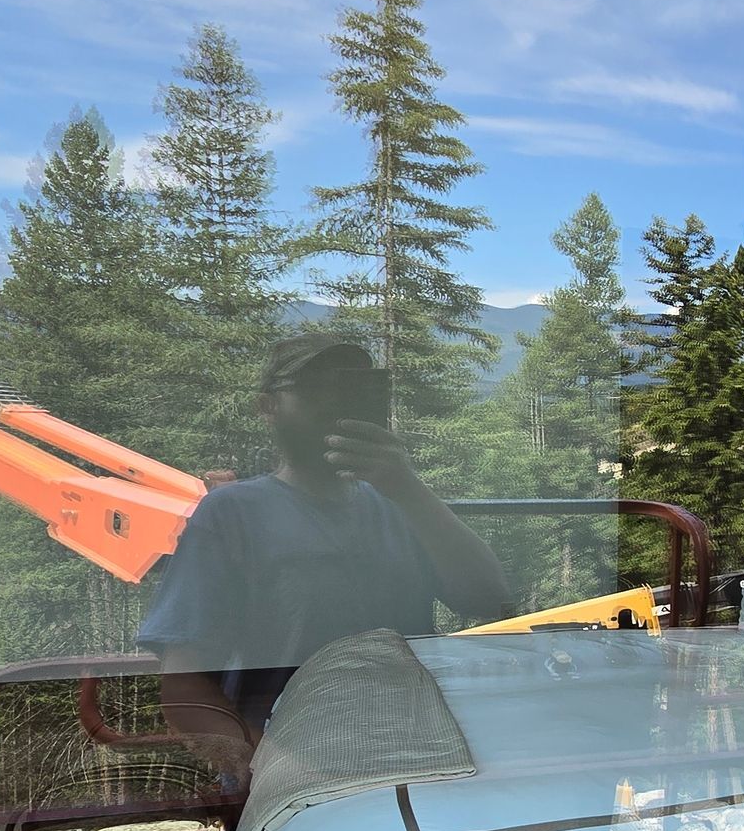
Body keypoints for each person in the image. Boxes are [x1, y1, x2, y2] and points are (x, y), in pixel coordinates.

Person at [138, 334, 513, 788]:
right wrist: (275, 775)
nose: (335, 401)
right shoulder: (232, 512)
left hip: (420, 760)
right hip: (293, 778)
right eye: (315, 388)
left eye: (354, 387)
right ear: (267, 407)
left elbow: (488, 599)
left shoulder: (402, 503)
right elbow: (185, 685)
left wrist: (408, 487)